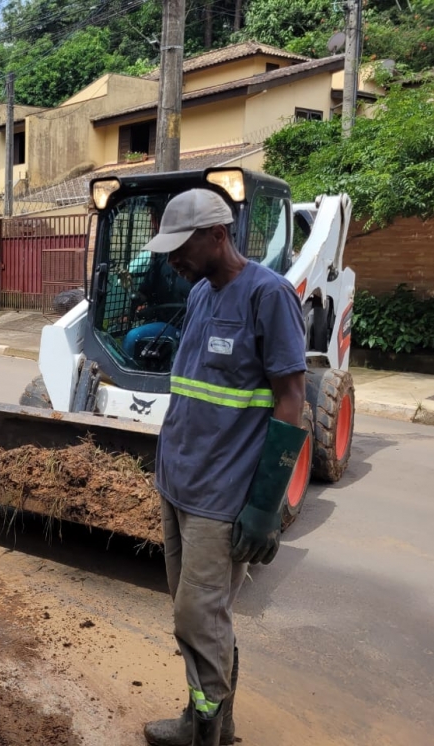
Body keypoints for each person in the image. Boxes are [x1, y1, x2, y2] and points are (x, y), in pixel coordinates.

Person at [141, 190, 307, 746]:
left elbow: (291, 399)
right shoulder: (199, 295)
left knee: (196, 619)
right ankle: (205, 720)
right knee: (197, 619)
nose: (172, 261)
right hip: (178, 482)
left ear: (217, 235)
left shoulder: (269, 295)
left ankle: (206, 733)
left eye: (180, 247)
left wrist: (265, 504)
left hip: (223, 494)